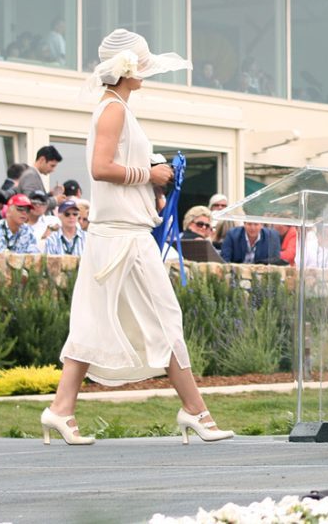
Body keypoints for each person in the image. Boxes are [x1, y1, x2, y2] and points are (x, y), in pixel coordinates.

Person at [43, 28, 233, 447]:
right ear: (127, 71)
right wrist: (150, 173)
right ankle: (196, 412)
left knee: (103, 320)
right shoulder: (113, 110)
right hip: (122, 237)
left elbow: (114, 165)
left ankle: (61, 409)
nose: (146, 72)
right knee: (163, 318)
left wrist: (152, 172)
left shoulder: (115, 108)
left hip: (122, 235)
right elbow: (99, 168)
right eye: (141, 65)